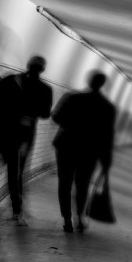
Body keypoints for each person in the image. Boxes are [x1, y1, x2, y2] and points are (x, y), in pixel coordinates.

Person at [52, 71, 116, 232]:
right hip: (90, 151)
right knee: (83, 184)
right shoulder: (108, 108)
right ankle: (80, 216)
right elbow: (108, 136)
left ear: (89, 81)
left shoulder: (72, 98)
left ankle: (67, 219)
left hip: (67, 146)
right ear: (102, 85)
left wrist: (72, 124)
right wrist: (106, 160)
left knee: (64, 182)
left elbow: (57, 117)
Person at [0, 56, 53, 226]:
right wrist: (29, 112)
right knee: (18, 169)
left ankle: (17, 207)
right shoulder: (45, 89)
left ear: (28, 65)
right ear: (42, 70)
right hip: (26, 133)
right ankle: (17, 208)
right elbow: (45, 114)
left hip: (7, 130)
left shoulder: (11, 80)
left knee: (13, 168)